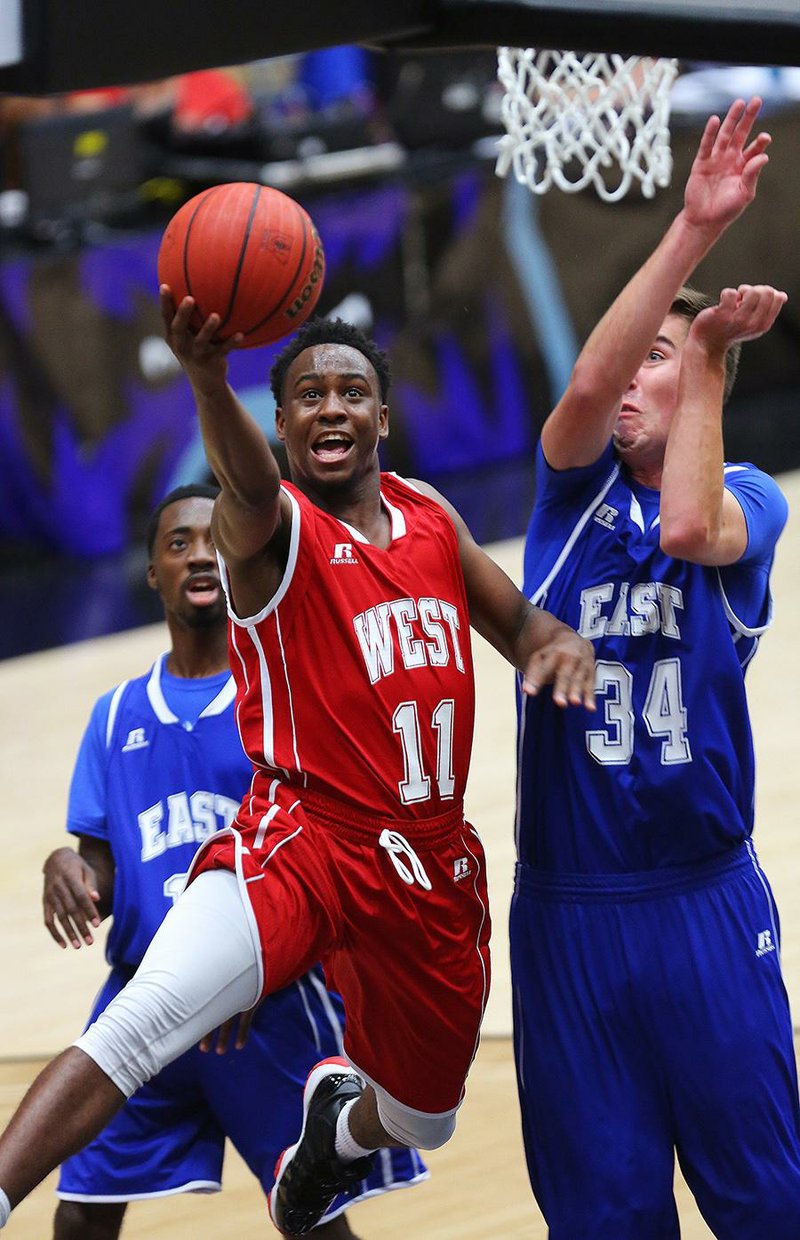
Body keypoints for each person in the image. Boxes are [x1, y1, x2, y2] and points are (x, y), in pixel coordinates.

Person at [0, 307, 595, 1235]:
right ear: (278, 424)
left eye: (351, 392)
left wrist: (559, 647)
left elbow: (520, 626)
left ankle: (338, 1129)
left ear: (382, 418)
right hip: (302, 837)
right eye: (306, 395)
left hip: (428, 865)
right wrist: (206, 379)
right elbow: (241, 481)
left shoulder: (431, 517)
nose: (330, 409)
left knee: (425, 1118)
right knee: (140, 1020)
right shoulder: (270, 528)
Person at [513, 95, 800, 1238]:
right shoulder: (564, 499)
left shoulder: (751, 501)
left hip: (700, 897)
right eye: (628, 352)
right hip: (570, 909)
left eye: (660, 360)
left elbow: (684, 527)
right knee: (602, 1217)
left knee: (767, 1203)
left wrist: (715, 357)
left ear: (700, 387)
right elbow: (586, 388)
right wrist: (689, 230)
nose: (630, 376)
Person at [42, 482, 426, 1240]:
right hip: (145, 994)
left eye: (213, 537)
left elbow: (339, 852)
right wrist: (69, 866)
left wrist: (264, 958)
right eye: (178, 543)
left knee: (313, 1219)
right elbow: (106, 868)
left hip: (265, 1006)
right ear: (151, 572)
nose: (199, 554)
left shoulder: (286, 696)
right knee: (82, 1212)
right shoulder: (115, 715)